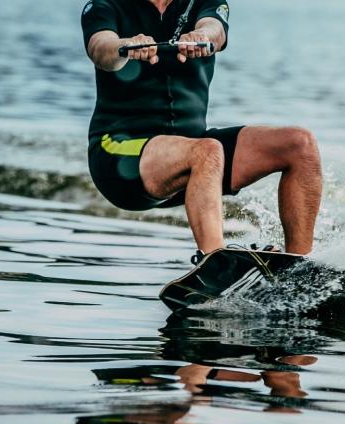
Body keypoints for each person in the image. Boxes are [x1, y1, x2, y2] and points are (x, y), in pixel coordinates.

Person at [81, 0, 322, 258]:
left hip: (196, 159)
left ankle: (298, 266)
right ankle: (216, 261)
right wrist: (124, 47)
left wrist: (202, 37)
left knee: (299, 144)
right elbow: (100, 48)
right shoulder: (103, 6)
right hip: (119, 156)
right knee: (207, 151)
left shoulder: (204, 2)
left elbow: (214, 29)